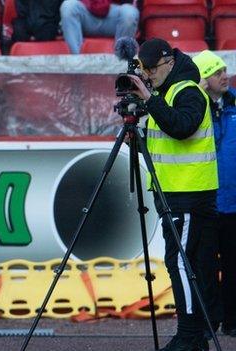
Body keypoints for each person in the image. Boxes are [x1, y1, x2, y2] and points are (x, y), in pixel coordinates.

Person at [128, 38, 219, 351]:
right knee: (189, 263)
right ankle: (195, 335)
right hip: (176, 192)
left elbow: (182, 127)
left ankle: (190, 335)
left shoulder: (187, 90)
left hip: (189, 192)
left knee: (182, 264)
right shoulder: (166, 93)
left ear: (168, 62)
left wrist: (151, 101)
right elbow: (161, 141)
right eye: (145, 70)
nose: (149, 75)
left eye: (152, 69)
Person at [193, 50, 236, 338]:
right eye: (216, 71)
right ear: (204, 80)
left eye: (224, 70)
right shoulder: (195, 109)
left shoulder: (234, 105)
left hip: (233, 203)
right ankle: (208, 321)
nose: (225, 76)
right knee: (205, 266)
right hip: (206, 201)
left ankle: (232, 321)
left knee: (234, 264)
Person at [59, 0, 139, 54]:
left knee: (130, 13)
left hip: (115, 16)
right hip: (85, 15)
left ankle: (121, 62)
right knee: (68, 6)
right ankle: (75, 62)